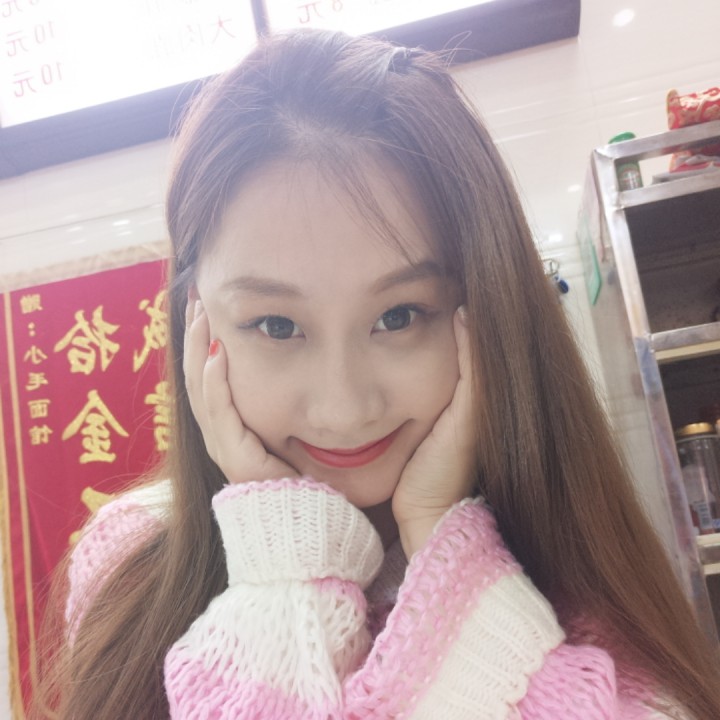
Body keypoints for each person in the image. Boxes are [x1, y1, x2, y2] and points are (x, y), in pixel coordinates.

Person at [36, 28, 720, 719]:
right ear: (197, 320)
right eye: (276, 325)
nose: (344, 408)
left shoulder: (582, 588)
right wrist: (286, 558)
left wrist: (442, 545)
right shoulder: (129, 561)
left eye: (399, 316)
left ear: (488, 309)